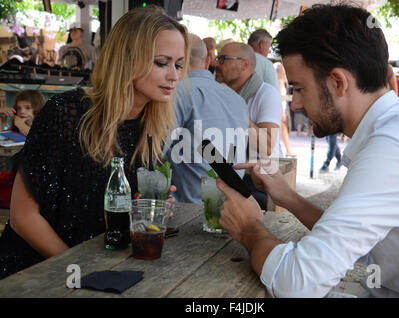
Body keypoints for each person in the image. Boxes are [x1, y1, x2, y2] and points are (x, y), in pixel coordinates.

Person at [216, 3, 399, 298]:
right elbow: (353, 233)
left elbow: (298, 283)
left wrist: (249, 228)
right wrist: (286, 195)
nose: (295, 105)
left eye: (299, 88)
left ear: (338, 82)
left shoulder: (394, 149)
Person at [0, 8, 189, 280]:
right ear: (127, 60)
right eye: (162, 62)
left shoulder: (151, 128)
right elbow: (23, 218)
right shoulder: (66, 113)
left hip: (107, 268)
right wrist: (84, 272)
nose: (174, 76)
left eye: (179, 64)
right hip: (37, 272)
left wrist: (151, 208)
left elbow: (117, 212)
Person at [168, 34, 249, 204]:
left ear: (177, 62)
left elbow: (153, 154)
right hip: (236, 207)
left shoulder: (178, 92)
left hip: (191, 211)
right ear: (207, 63)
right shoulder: (238, 100)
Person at [215, 42, 282, 159]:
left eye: (223, 59)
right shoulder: (219, 93)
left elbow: (266, 147)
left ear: (244, 65)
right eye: (217, 58)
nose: (216, 64)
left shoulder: (267, 94)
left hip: (264, 173)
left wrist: (234, 105)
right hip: (231, 170)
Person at [274, 62, 296, 157]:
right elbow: (280, 97)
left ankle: (286, 150)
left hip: (281, 107)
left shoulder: (281, 81)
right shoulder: (279, 82)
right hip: (280, 107)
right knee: (282, 130)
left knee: (282, 130)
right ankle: (286, 150)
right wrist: (282, 111)